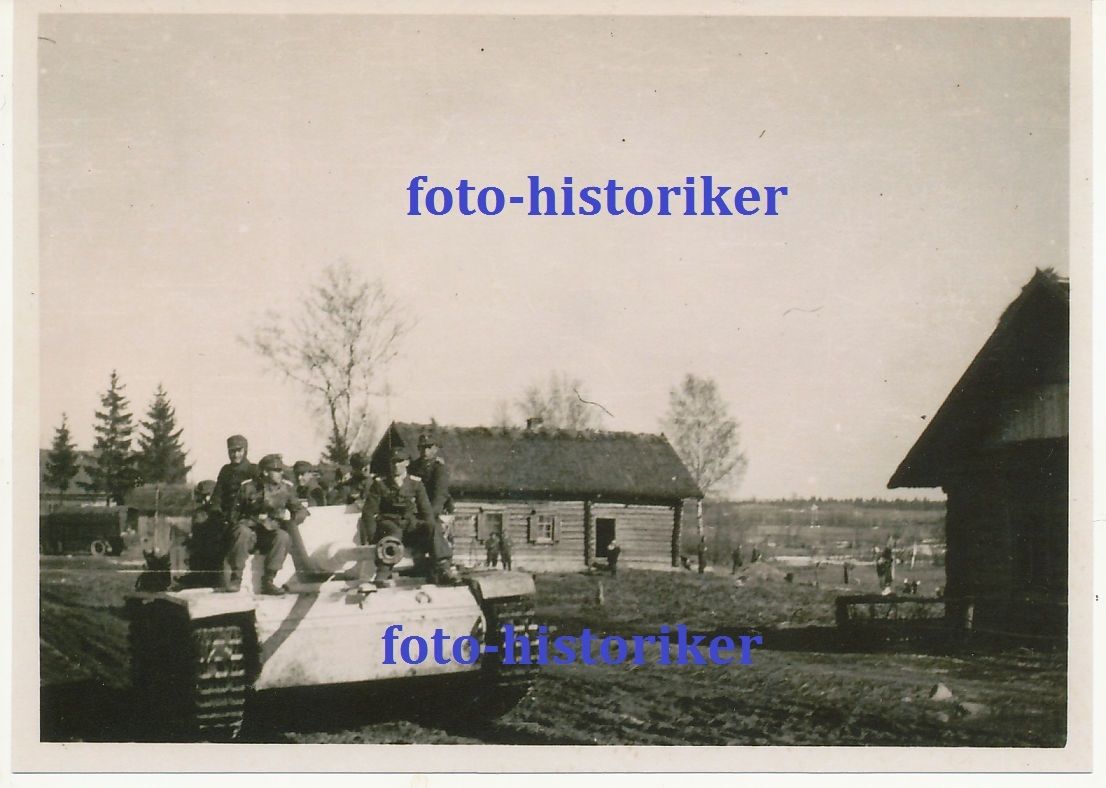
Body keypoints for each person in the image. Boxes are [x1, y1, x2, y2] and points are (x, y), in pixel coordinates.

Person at [360, 446, 458, 586]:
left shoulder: (415, 483)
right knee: (392, 534)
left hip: (410, 524)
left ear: (406, 463)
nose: (395, 465)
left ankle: (444, 566)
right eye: (393, 462)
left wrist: (430, 529)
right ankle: (382, 573)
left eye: (399, 461)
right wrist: (372, 537)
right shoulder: (380, 484)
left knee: (431, 526)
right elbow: (368, 513)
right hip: (389, 523)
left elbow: (426, 511)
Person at [219, 454, 306, 596]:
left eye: (281, 470)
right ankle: (236, 578)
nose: (281, 473)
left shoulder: (286, 489)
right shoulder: (248, 487)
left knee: (283, 536)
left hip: (269, 534)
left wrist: (292, 521)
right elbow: (233, 514)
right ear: (265, 472)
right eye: (277, 470)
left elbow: (300, 509)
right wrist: (248, 521)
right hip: (250, 534)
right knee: (242, 532)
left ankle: (269, 581)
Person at [208, 434, 257, 527]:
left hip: (246, 516)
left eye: (239, 451)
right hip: (226, 515)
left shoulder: (253, 470)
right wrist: (216, 511)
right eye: (232, 451)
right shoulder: (225, 470)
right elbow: (217, 495)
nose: (235, 455)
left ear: (245, 451)